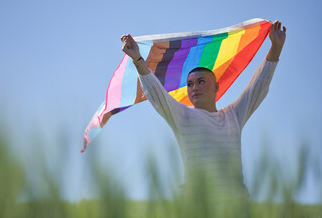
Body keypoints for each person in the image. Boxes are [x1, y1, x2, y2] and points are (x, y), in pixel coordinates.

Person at [120, 21, 286, 204]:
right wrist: (137, 59)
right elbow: (156, 93)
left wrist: (275, 49)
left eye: (200, 82)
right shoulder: (182, 116)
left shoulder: (233, 115)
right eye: (189, 84)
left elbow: (258, 87)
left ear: (216, 86)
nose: (194, 88)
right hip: (197, 206)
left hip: (235, 206)